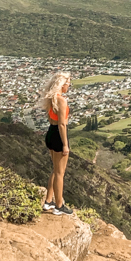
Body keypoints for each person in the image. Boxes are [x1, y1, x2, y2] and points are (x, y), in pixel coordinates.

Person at [40, 71, 74, 216]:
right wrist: (65, 144)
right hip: (59, 135)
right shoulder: (61, 100)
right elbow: (62, 124)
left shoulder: (50, 99)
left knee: (55, 169)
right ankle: (59, 206)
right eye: (68, 84)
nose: (69, 86)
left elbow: (52, 121)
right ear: (63, 84)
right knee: (60, 173)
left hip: (50, 133)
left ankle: (48, 201)